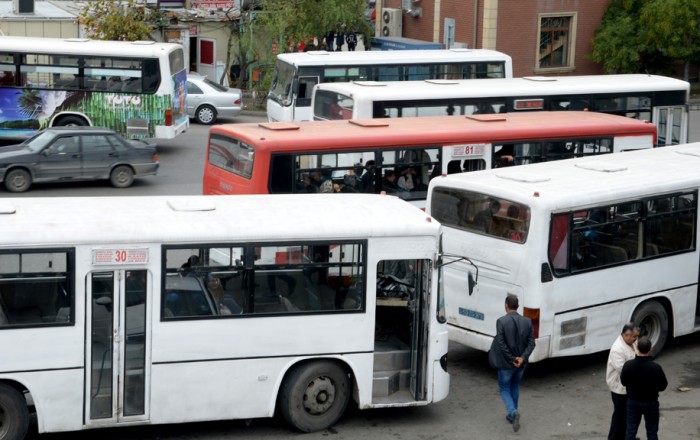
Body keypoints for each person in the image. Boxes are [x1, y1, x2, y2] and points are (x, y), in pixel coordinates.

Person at [490, 294, 535, 432]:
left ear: (506, 306)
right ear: (518, 306)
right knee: (515, 385)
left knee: (504, 388)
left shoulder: (501, 322)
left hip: (506, 364)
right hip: (521, 364)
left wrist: (512, 359)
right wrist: (522, 358)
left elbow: (501, 344)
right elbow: (531, 343)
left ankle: (513, 412)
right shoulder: (527, 321)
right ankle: (512, 415)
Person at [621, 337, 668, 440]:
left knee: (630, 431)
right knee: (652, 432)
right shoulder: (656, 368)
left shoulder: (628, 365)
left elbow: (623, 382)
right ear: (650, 349)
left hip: (633, 402)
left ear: (637, 349)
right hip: (650, 403)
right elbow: (663, 386)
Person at [606, 322, 640, 440]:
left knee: (627, 415)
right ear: (626, 335)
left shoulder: (632, 342)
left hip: (628, 386)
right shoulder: (618, 349)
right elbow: (623, 370)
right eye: (635, 336)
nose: (637, 339)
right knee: (619, 416)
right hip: (619, 388)